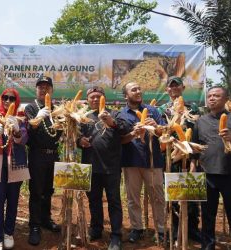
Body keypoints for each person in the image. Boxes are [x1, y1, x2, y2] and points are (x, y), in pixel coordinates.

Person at [77, 86, 129, 250]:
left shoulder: (114, 113)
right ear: (88, 99)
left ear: (103, 98)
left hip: (111, 166)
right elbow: (76, 135)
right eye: (91, 97)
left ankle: (115, 235)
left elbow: (125, 129)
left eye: (98, 96)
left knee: (114, 201)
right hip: (91, 166)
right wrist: (80, 141)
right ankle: (97, 229)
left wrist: (110, 122)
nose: (94, 99)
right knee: (94, 200)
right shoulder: (84, 117)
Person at [119, 82, 166, 243]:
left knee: (158, 197)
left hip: (153, 161)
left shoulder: (153, 111)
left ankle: (161, 230)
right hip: (131, 161)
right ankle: (137, 228)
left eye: (139, 88)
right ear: (126, 95)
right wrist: (133, 133)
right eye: (134, 89)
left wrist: (156, 127)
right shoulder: (121, 114)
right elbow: (120, 140)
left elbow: (163, 133)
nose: (138, 91)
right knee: (133, 199)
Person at [0, 88, 30, 250]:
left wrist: (17, 129)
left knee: (12, 200)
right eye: (5, 98)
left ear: (16, 101)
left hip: (14, 166)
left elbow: (23, 139)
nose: (7, 101)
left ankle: (8, 233)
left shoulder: (21, 119)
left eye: (11, 98)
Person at [158, 76, 201, 242]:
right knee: (173, 194)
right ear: (167, 90)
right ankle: (176, 229)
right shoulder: (162, 109)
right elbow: (161, 134)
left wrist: (194, 161)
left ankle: (192, 229)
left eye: (177, 86)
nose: (174, 88)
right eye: (171, 86)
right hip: (171, 157)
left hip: (190, 156)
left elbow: (197, 134)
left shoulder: (193, 108)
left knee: (191, 194)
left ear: (183, 88)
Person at [190, 86, 231, 250]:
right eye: (210, 95)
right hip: (207, 174)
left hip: (229, 174)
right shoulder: (200, 121)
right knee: (208, 215)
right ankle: (208, 245)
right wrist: (193, 165)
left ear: (226, 99)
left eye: (217, 95)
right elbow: (195, 146)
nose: (212, 98)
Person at [24, 75, 62, 246]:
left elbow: (59, 133)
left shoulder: (57, 109)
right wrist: (38, 118)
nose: (43, 90)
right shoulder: (31, 108)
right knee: (36, 191)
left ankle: (46, 219)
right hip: (37, 155)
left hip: (53, 154)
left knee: (49, 190)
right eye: (41, 87)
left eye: (47, 87)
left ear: (51, 90)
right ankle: (34, 225)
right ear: (36, 89)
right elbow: (28, 132)